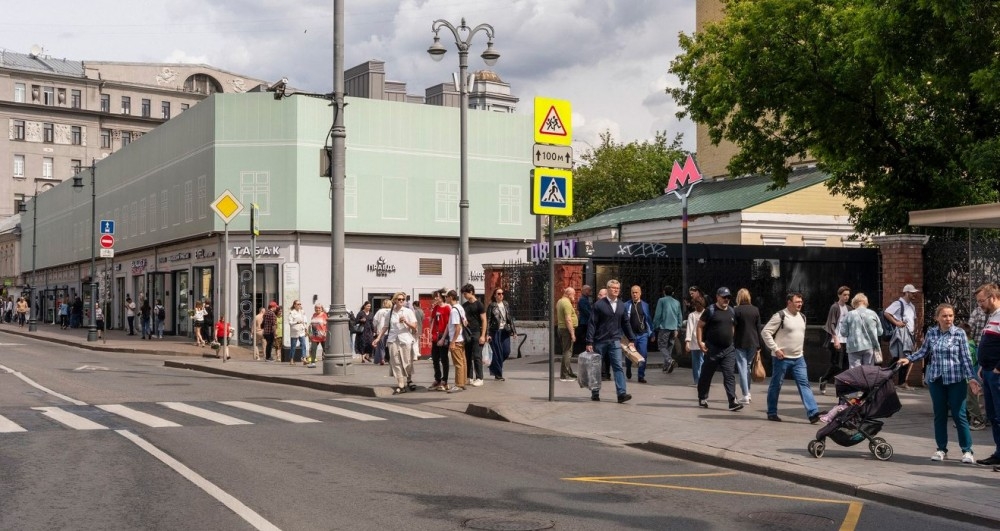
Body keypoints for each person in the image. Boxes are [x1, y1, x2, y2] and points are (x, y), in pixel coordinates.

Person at [897, 303, 977, 463]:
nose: (948, 319)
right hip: (936, 380)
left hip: (956, 379)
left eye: (951, 315)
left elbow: (966, 357)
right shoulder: (932, 333)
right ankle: (941, 449)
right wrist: (909, 358)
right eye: (944, 316)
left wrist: (972, 378)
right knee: (940, 415)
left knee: (959, 415)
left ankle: (967, 450)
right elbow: (924, 351)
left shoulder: (959, 333)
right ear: (937, 318)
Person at [761, 292, 823, 423]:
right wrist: (776, 349)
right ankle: (772, 412)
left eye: (801, 302)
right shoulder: (780, 316)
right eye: (797, 302)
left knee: (804, 384)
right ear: (789, 303)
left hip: (799, 358)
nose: (800, 304)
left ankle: (813, 413)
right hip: (781, 358)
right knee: (776, 385)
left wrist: (800, 350)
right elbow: (765, 332)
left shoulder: (802, 317)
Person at [585, 279, 635, 403]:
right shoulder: (599, 305)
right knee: (596, 367)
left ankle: (621, 393)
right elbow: (592, 323)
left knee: (618, 366)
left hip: (615, 340)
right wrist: (589, 341)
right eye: (613, 288)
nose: (616, 290)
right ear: (608, 289)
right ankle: (595, 392)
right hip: (600, 341)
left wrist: (631, 338)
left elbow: (626, 323)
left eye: (617, 288)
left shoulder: (621, 305)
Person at [697, 287, 742, 411]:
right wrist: (700, 342)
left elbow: (733, 327)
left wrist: (730, 339)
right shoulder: (710, 310)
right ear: (717, 297)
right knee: (706, 375)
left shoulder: (732, 311)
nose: (726, 299)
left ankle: (732, 401)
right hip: (712, 349)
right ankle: (702, 397)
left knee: (729, 375)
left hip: (728, 350)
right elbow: (700, 326)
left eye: (728, 297)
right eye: (724, 297)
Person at [973, 283, 1000, 469]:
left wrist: (998, 368)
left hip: (997, 374)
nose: (980, 305)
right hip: (988, 373)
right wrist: (982, 366)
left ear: (993, 297)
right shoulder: (992, 317)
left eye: (982, 301)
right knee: (993, 415)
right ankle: (999, 453)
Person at [371, 292, 418, 394]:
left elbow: (414, 326)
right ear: (395, 300)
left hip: (405, 339)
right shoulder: (390, 313)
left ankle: (409, 380)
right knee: (395, 362)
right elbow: (385, 327)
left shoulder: (408, 311)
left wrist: (406, 321)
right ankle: (401, 385)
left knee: (407, 362)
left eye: (403, 299)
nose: (401, 301)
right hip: (392, 339)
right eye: (399, 299)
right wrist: (378, 338)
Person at [885, 284, 919, 389]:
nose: (914, 295)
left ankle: (899, 381)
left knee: (904, 357)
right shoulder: (898, 303)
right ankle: (888, 379)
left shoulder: (912, 306)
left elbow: (913, 320)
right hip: (902, 333)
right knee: (899, 357)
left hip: (909, 334)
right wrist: (896, 322)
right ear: (907, 293)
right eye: (912, 293)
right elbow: (887, 313)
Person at [819, 286, 852, 394]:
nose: (846, 297)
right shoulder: (834, 307)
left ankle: (842, 387)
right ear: (839, 295)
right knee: (837, 365)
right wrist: (835, 339)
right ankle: (824, 379)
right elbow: (831, 324)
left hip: (847, 340)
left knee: (846, 365)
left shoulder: (849, 308)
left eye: (848, 295)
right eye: (844, 295)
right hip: (836, 339)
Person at [733, 288, 762, 405]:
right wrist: (759, 344)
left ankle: (745, 394)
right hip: (753, 342)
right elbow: (758, 328)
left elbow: (733, 328)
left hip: (740, 342)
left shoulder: (736, 310)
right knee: (748, 367)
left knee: (742, 368)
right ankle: (748, 392)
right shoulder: (755, 310)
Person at [838, 293, 883, 367]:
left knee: (855, 371)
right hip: (870, 346)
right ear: (866, 302)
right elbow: (880, 332)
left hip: (854, 347)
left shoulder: (849, 315)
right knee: (868, 370)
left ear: (854, 303)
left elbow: (843, 333)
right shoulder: (873, 314)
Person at [623, 285, 653, 383]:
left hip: (642, 334)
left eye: (636, 292)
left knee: (643, 354)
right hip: (630, 335)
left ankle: (641, 376)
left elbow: (648, 319)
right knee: (630, 354)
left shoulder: (645, 305)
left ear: (640, 293)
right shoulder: (626, 305)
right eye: (633, 292)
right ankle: (628, 367)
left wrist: (652, 333)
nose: (634, 294)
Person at [486, 286, 516, 381]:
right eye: (499, 294)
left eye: (502, 293)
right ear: (495, 295)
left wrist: (514, 331)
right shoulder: (492, 305)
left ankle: (494, 364)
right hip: (495, 331)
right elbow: (488, 320)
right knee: (497, 352)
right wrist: (487, 334)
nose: (501, 295)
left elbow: (510, 318)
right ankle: (498, 375)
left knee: (506, 351)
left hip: (505, 331)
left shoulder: (505, 304)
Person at [653, 285, 683, 374]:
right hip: (674, 328)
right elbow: (679, 315)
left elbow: (658, 314)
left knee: (662, 346)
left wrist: (655, 325)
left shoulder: (661, 300)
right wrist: (678, 327)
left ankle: (669, 360)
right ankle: (666, 366)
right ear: (673, 293)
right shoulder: (677, 302)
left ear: (664, 292)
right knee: (669, 347)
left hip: (664, 327)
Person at [461, 284, 486, 387]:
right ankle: (469, 377)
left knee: (477, 356)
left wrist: (483, 335)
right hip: (467, 333)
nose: (464, 295)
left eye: (465, 293)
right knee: (467, 356)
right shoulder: (464, 306)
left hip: (477, 333)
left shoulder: (479, 304)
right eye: (463, 294)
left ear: (471, 292)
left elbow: (484, 320)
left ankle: (479, 378)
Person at [445, 290, 468, 393]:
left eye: (446, 297)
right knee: (463, 361)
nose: (446, 299)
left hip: (456, 340)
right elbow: (465, 322)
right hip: (461, 339)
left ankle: (458, 384)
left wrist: (453, 342)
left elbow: (457, 327)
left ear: (450, 297)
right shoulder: (460, 307)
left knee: (458, 363)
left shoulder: (454, 310)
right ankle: (463, 382)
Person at [429, 289, 451, 389]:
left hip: (443, 335)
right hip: (435, 335)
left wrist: (443, 338)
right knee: (435, 358)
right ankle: (437, 379)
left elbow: (448, 324)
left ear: (442, 297)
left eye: (437, 296)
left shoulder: (447, 308)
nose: (435, 298)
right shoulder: (436, 308)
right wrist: (430, 332)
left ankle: (444, 380)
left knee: (444, 358)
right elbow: (432, 320)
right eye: (434, 297)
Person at [556, 286, 579, 381]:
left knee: (566, 351)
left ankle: (569, 372)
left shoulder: (560, 301)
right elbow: (568, 319)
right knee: (567, 352)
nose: (575, 296)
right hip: (566, 329)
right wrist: (572, 333)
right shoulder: (566, 303)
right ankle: (564, 375)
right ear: (569, 294)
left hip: (561, 328)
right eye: (574, 294)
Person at [685, 296, 706, 387]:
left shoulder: (706, 313)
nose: (697, 306)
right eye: (696, 304)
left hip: (704, 341)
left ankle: (701, 379)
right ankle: (697, 380)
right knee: (695, 362)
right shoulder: (692, 315)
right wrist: (687, 341)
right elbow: (689, 328)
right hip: (694, 341)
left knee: (701, 361)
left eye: (698, 304)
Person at [287, 300, 308, 365]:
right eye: (298, 304)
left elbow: (305, 321)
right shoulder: (292, 313)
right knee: (293, 346)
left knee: (303, 344)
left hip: (301, 330)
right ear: (294, 305)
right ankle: (291, 359)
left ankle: (304, 358)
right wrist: (296, 322)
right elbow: (290, 322)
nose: (299, 305)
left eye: (300, 304)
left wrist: (306, 329)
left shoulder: (302, 312)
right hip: (295, 331)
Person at [307, 303, 327, 368]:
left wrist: (326, 332)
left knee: (326, 349)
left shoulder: (324, 315)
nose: (317, 309)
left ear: (321, 309)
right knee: (313, 349)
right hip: (315, 336)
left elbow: (327, 324)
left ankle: (328, 362)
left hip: (323, 335)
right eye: (316, 308)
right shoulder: (314, 315)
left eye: (319, 308)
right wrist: (309, 333)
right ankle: (313, 363)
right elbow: (311, 324)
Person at [574, 284, 592, 355]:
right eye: (589, 290)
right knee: (582, 337)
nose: (590, 292)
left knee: (583, 337)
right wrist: (592, 316)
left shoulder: (585, 299)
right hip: (584, 322)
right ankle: (579, 351)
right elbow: (586, 310)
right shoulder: (583, 299)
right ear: (585, 290)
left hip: (585, 321)